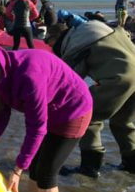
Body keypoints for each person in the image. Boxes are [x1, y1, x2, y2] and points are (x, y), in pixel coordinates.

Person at [0, 40, 92, 192]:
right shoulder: (0, 75)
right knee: (35, 166)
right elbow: (1, 110)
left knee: (47, 173)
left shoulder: (28, 77)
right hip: (50, 110)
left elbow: (36, 128)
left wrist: (17, 170)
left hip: (73, 111)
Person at [45, 21, 135, 177]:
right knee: (123, 121)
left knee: (87, 116)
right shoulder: (91, 27)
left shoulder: (74, 45)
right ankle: (131, 164)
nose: (49, 46)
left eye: (49, 41)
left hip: (120, 79)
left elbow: (71, 81)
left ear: (57, 36)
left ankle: (90, 168)